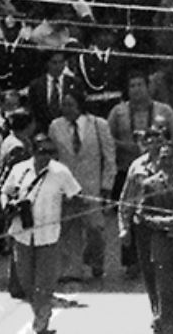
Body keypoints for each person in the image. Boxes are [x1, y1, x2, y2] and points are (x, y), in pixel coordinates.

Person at [2, 132, 82, 334]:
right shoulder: (20, 170)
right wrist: (8, 206)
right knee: (26, 282)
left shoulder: (61, 172)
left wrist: (66, 223)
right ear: (32, 151)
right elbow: (6, 191)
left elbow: (76, 196)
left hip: (49, 236)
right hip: (22, 234)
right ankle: (40, 313)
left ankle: (41, 324)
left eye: (50, 152)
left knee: (43, 284)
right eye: (42, 151)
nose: (46, 156)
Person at [125, 123, 173, 334]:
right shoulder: (149, 184)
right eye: (161, 157)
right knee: (166, 294)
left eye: (169, 156)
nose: (164, 161)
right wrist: (166, 222)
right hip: (162, 247)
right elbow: (143, 215)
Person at [47, 89, 116, 280]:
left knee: (95, 228)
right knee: (69, 229)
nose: (66, 109)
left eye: (70, 104)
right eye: (64, 105)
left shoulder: (98, 124)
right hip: (66, 187)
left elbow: (109, 157)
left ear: (80, 105)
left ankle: (95, 260)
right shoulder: (56, 126)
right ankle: (72, 270)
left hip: (91, 186)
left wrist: (107, 185)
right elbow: (52, 156)